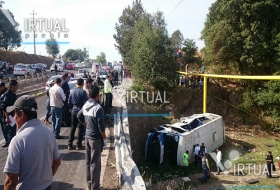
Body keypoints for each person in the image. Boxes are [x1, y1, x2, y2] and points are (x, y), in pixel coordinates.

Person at [3, 95, 61, 189]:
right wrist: (44, 180)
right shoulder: (49, 132)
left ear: (21, 114)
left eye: (14, 114)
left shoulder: (18, 140)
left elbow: (11, 181)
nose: (13, 117)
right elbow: (57, 162)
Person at [77, 86, 106, 190]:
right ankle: (95, 187)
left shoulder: (85, 105)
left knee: (88, 161)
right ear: (98, 96)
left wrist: (87, 125)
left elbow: (79, 116)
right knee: (95, 163)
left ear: (89, 95)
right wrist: (105, 138)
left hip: (87, 137)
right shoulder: (98, 109)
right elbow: (101, 127)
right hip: (95, 139)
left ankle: (89, 184)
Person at [68, 78, 88, 150]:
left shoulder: (72, 91)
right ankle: (78, 145)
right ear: (82, 84)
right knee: (80, 128)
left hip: (73, 110)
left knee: (73, 127)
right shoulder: (83, 92)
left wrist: (73, 106)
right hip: (80, 111)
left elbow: (69, 102)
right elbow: (86, 103)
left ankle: (70, 144)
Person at [0, 80, 18, 147]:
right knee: (10, 133)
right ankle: (10, 148)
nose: (17, 88)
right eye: (16, 86)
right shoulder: (7, 94)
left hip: (13, 116)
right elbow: (3, 107)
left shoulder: (13, 94)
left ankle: (13, 145)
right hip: (8, 117)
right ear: (12, 86)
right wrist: (7, 117)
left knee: (13, 132)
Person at [0, 82, 8, 146]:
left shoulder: (5, 93)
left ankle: (9, 141)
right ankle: (7, 141)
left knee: (6, 127)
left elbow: (4, 105)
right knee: (3, 128)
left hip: (5, 113)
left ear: (3, 86)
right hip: (1, 113)